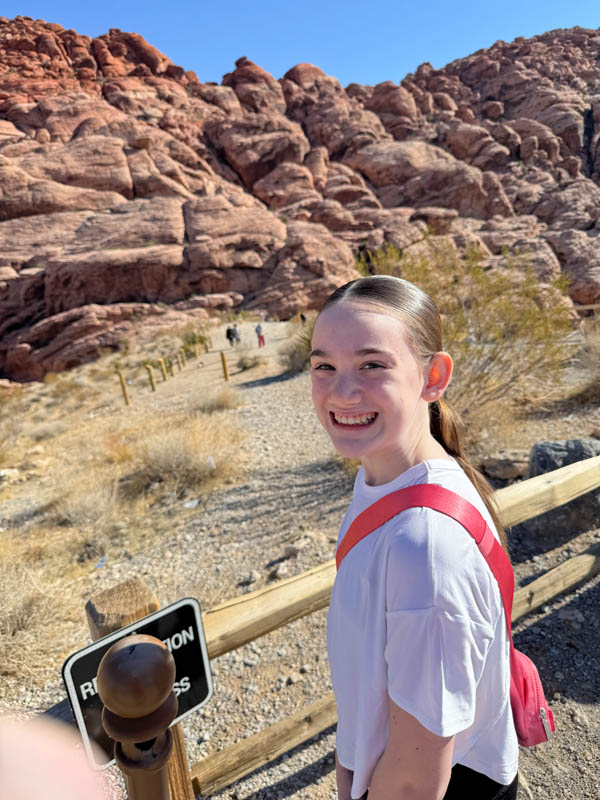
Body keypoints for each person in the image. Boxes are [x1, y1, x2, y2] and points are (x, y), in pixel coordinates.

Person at [310, 275, 518, 800]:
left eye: (372, 364)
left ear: (433, 376)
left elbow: (412, 783)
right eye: (324, 365)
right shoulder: (387, 480)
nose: (341, 390)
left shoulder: (424, 549)